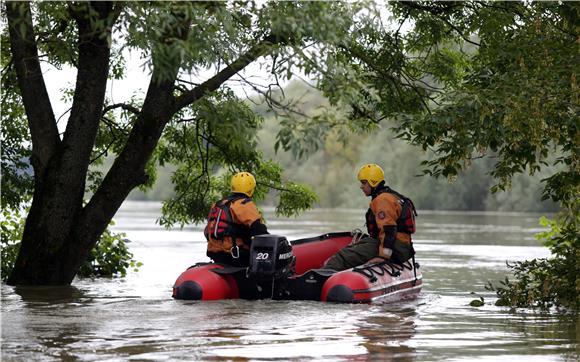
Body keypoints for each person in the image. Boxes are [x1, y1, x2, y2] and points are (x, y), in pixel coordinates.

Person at [324, 163, 416, 271]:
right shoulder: (391, 196)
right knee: (353, 247)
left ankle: (320, 278)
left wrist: (383, 256)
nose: (361, 186)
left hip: (395, 248)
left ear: (373, 182)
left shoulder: (383, 200)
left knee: (342, 257)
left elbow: (388, 230)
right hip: (401, 247)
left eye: (364, 182)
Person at [205, 172, 269, 267]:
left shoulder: (218, 204)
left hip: (216, 254)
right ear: (251, 188)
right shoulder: (244, 204)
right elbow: (259, 230)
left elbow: (207, 231)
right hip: (236, 256)